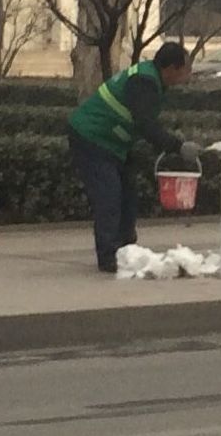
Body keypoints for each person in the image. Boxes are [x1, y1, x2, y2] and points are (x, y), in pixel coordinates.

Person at [68, 42, 201, 273]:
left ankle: (127, 249)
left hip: (113, 142)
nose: (187, 77)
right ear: (170, 68)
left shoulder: (152, 79)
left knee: (128, 193)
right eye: (185, 70)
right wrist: (177, 146)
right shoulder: (143, 82)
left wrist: (171, 142)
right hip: (92, 137)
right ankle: (109, 257)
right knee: (109, 196)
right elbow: (145, 125)